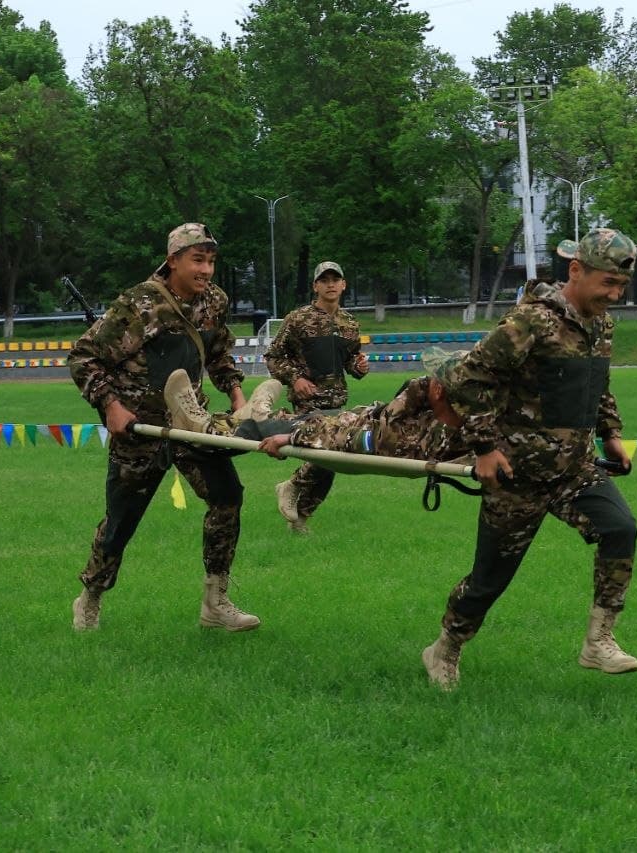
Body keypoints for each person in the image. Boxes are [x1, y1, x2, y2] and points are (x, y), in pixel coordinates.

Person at [421, 228, 637, 690]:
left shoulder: (601, 324)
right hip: (515, 474)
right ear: (576, 271)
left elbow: (596, 384)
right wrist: (483, 447)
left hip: (574, 469)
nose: (615, 295)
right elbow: (467, 378)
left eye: (621, 286)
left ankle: (598, 642)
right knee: (488, 581)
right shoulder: (530, 323)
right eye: (607, 283)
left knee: (620, 529)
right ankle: (445, 647)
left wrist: (611, 434)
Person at [67, 222, 261, 633]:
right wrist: (112, 407)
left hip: (192, 425)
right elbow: (84, 357)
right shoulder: (140, 304)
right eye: (197, 260)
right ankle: (91, 596)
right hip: (139, 431)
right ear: (173, 261)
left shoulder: (214, 301)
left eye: (210, 261)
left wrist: (237, 392)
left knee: (227, 498)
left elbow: (219, 351)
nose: (206, 270)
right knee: (121, 522)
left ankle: (216, 601)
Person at [162, 347, 469, 468]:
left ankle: (200, 425)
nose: (425, 381)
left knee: (268, 430)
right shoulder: (454, 422)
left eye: (432, 378)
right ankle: (256, 412)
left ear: (440, 390)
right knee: (303, 417)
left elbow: (343, 439)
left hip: (343, 433)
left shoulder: (415, 438)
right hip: (354, 418)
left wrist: (294, 439)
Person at [264, 260, 369, 534]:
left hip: (337, 402)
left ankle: (300, 519)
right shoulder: (298, 319)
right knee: (328, 453)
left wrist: (358, 367)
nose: (331, 284)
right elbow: (273, 357)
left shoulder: (349, 324)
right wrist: (295, 379)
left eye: (336, 279)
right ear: (315, 286)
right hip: (308, 402)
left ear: (344, 285)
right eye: (325, 280)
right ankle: (292, 486)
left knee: (330, 463)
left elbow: (349, 363)